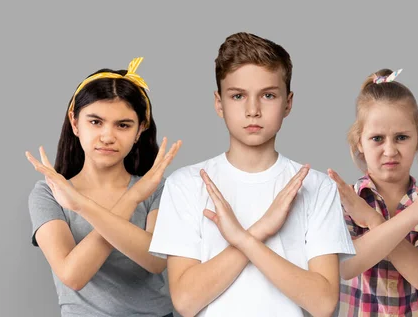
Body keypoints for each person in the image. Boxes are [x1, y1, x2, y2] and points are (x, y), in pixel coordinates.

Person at [148, 32, 357, 317]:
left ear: (288, 103)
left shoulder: (316, 186)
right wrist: (261, 229)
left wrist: (244, 238)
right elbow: (185, 301)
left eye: (268, 95)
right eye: (238, 96)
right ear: (219, 102)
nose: (253, 110)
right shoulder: (184, 185)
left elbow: (323, 304)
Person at [25, 57, 181, 317]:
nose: (108, 136)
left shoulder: (155, 188)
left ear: (139, 130)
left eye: (123, 125)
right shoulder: (49, 194)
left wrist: (83, 205)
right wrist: (130, 200)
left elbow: (156, 261)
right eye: (95, 122)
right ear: (75, 123)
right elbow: (73, 275)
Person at [328, 69, 418, 316]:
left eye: (401, 137)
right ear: (359, 142)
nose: (390, 151)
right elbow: (345, 267)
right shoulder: (345, 199)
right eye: (377, 138)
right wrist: (411, 217)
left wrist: (372, 219)